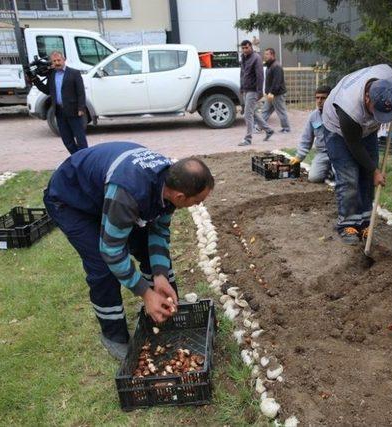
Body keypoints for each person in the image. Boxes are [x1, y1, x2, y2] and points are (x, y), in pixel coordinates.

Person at [43, 142, 214, 360]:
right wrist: (144, 292)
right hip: (72, 201)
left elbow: (158, 230)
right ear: (180, 196)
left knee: (146, 248)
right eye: (197, 201)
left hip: (107, 193)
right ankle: (113, 335)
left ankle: (162, 310)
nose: (198, 205)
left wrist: (159, 274)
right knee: (102, 267)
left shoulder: (169, 181)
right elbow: (112, 250)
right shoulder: (130, 192)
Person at [322, 64, 392, 244]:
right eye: (378, 111)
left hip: (365, 128)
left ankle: (366, 222)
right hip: (339, 131)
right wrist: (375, 170)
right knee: (349, 176)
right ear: (367, 98)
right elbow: (355, 146)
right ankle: (347, 223)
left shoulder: (390, 78)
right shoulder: (349, 108)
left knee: (367, 175)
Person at [31, 50, 88, 155]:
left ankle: (85, 159)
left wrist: (81, 108)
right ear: (51, 62)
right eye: (54, 61)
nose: (57, 63)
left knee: (80, 139)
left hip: (74, 111)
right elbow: (47, 90)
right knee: (67, 140)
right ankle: (76, 157)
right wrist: (35, 80)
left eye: (59, 60)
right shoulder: (51, 74)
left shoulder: (74, 73)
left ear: (64, 60)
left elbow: (81, 92)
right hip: (59, 112)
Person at [289, 85, 333, 183]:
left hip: (338, 152)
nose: (319, 101)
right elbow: (306, 139)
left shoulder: (337, 115)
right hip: (322, 153)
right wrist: (299, 157)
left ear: (330, 98)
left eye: (323, 98)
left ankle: (333, 171)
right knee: (314, 178)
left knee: (341, 178)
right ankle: (329, 170)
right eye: (317, 98)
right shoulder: (313, 116)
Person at [238, 40, 274, 146]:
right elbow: (242, 73)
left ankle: (248, 139)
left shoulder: (256, 58)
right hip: (245, 89)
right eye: (243, 48)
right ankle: (268, 130)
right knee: (253, 112)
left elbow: (260, 76)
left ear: (251, 47)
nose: (244, 50)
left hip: (253, 90)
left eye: (246, 48)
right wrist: (241, 87)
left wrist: (259, 92)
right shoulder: (243, 58)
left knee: (247, 114)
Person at [261, 48, 290, 133]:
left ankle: (286, 128)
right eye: (264, 54)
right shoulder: (270, 66)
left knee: (281, 112)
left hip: (277, 94)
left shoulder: (276, 66)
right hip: (271, 94)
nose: (265, 56)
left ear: (272, 55)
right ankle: (259, 127)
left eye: (267, 54)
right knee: (265, 110)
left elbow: (277, 82)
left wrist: (272, 93)